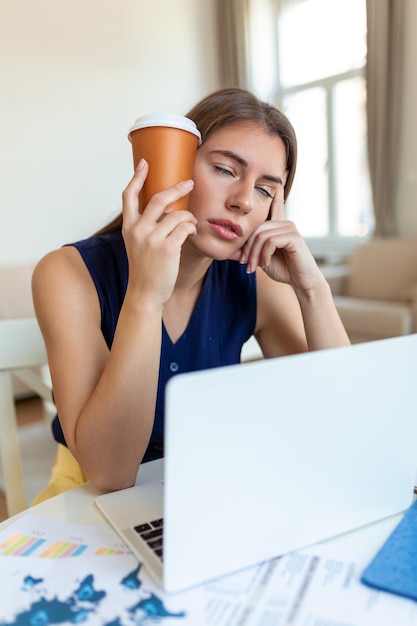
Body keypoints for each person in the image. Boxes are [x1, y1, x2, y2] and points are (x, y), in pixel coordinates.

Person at [31, 87, 350, 503]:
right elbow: (109, 474)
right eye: (225, 169)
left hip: (202, 488)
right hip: (85, 502)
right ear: (174, 164)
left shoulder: (256, 280)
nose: (242, 202)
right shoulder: (67, 274)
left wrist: (313, 289)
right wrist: (145, 295)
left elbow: (343, 419)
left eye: (265, 190)